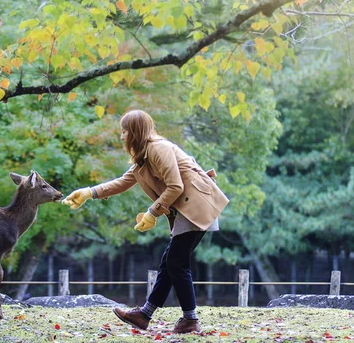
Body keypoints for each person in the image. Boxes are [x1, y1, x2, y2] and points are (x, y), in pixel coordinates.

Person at [62, 110, 229, 334]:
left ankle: (190, 319)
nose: (121, 137)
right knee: (169, 262)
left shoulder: (158, 149)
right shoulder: (144, 158)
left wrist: (152, 212)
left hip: (196, 206)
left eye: (124, 131)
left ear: (135, 132)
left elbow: (176, 186)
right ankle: (144, 315)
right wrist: (89, 192)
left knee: (176, 263)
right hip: (186, 208)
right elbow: (123, 181)